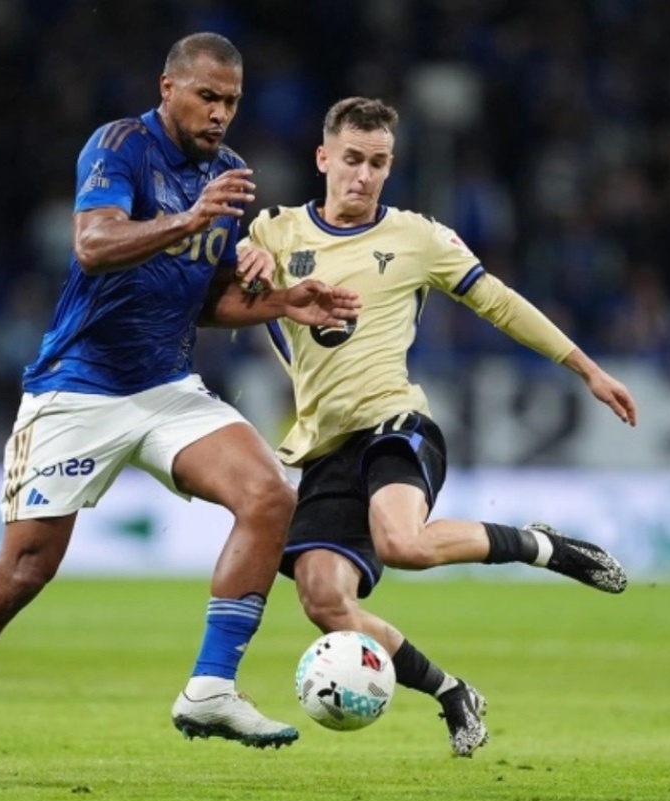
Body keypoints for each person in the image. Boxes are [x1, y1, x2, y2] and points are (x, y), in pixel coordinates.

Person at [0, 33, 362, 779]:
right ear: (169, 88)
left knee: (269, 494)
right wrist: (192, 219)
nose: (220, 113)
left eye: (232, 101)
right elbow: (94, 245)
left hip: (165, 387)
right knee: (23, 572)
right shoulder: (120, 147)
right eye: (207, 96)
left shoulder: (227, 174)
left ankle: (210, 687)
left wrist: (282, 301)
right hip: (77, 388)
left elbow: (205, 298)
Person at [234, 97, 637, 758]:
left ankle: (539, 545)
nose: (364, 175)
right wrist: (242, 264)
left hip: (396, 423)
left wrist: (586, 369)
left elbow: (498, 302)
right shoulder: (276, 232)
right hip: (324, 447)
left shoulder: (418, 238)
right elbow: (227, 282)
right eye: (352, 160)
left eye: (378, 163)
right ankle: (451, 692)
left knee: (403, 544)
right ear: (323, 158)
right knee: (324, 601)